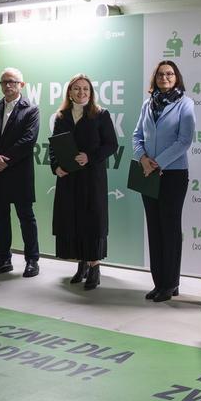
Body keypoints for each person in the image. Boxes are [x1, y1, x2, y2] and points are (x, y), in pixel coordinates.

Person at [49, 74, 119, 290]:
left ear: (91, 93)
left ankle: (94, 267)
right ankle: (82, 263)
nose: (81, 92)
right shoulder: (61, 116)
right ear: (69, 92)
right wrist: (55, 166)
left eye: (85, 89)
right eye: (77, 88)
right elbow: (53, 146)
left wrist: (90, 157)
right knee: (73, 220)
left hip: (92, 178)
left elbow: (111, 145)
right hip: (69, 178)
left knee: (92, 221)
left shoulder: (101, 115)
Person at [132, 61, 195, 302]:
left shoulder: (185, 104)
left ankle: (171, 283)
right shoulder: (147, 104)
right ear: (155, 78)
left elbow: (184, 140)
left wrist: (158, 163)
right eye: (160, 74)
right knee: (154, 228)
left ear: (176, 77)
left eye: (169, 74)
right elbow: (137, 135)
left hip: (173, 174)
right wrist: (143, 158)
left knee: (170, 229)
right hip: (147, 173)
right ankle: (159, 283)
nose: (165, 77)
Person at [0, 67, 42, 278]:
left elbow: (28, 141)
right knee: (0, 218)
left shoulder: (31, 110)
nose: (7, 85)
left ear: (21, 85)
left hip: (18, 173)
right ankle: (3, 260)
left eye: (12, 81)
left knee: (26, 217)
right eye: (4, 82)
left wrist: (1, 161)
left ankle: (32, 260)